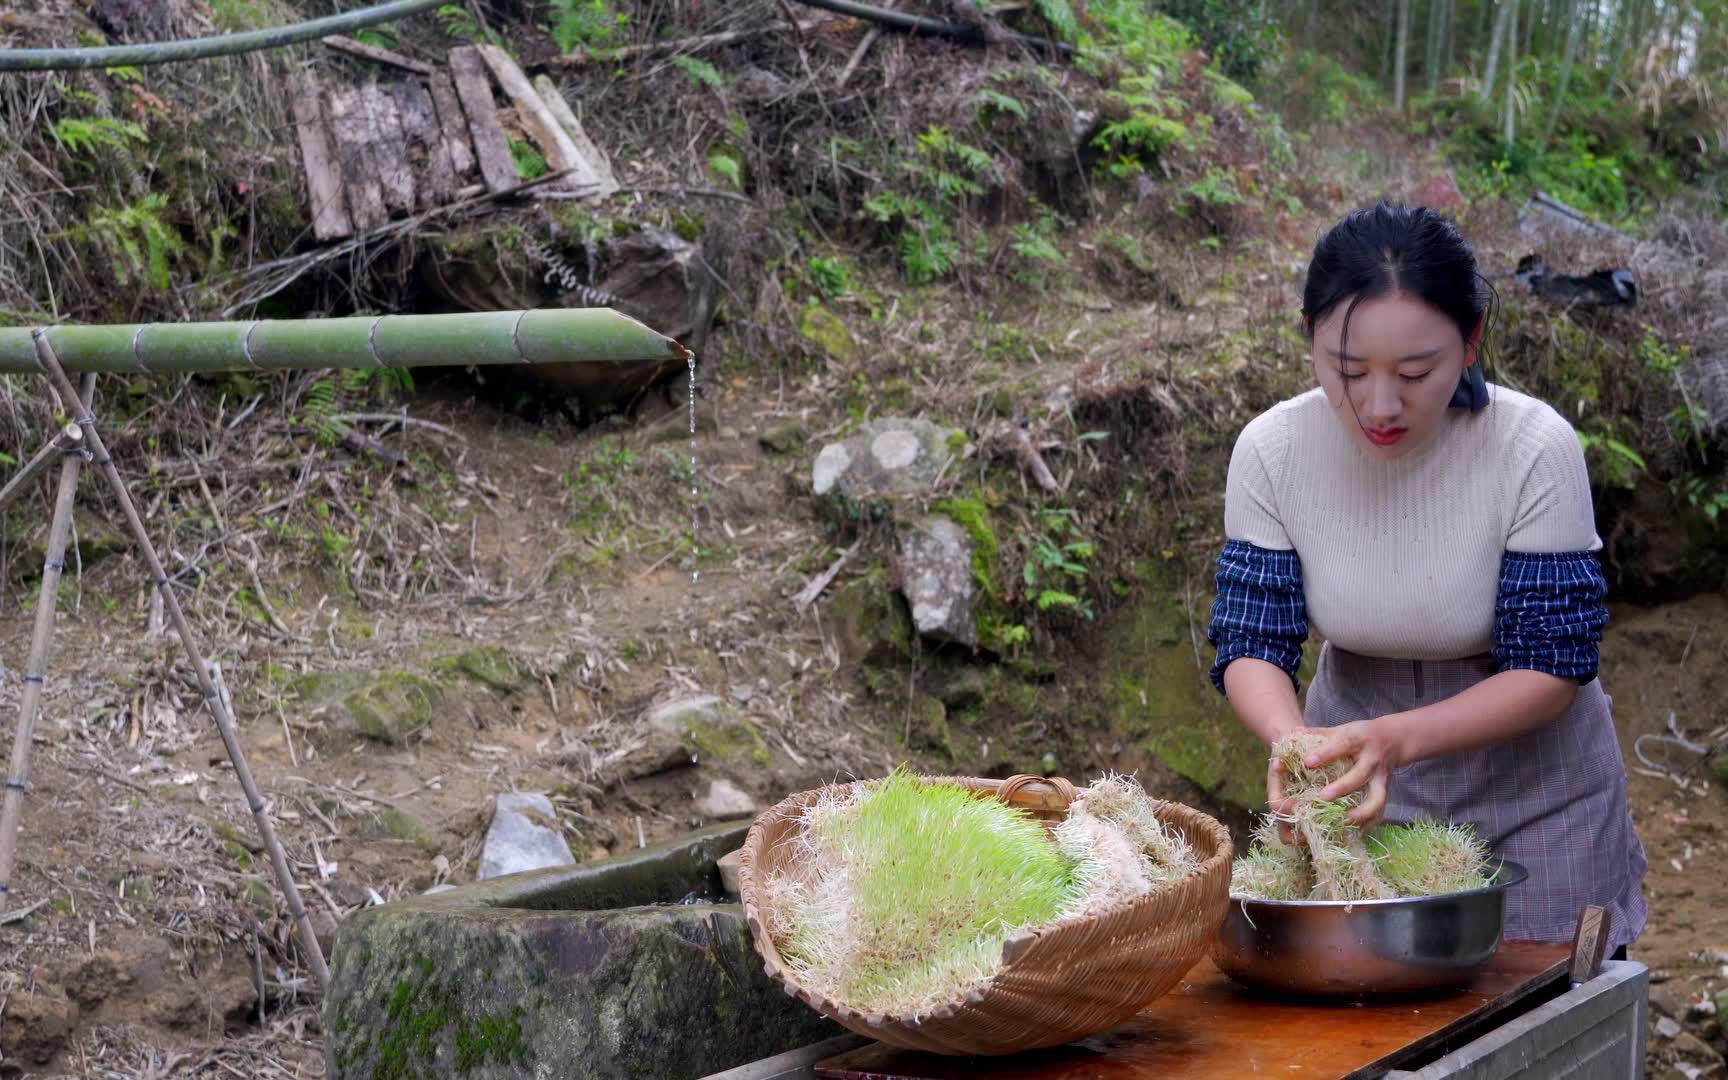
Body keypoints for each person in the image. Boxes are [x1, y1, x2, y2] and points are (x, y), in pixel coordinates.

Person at [1205, 202, 1648, 956]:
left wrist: (1395, 740)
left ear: (1471, 341)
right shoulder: (1274, 452)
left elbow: (1551, 665)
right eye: (1348, 371)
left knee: (1540, 1019)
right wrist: (1293, 743)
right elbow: (1252, 635)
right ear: (1309, 335)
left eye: (1416, 373)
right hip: (1360, 790)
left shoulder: (1531, 448)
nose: (1380, 405)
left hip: (1538, 790)